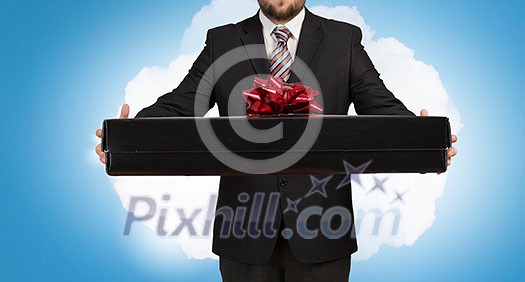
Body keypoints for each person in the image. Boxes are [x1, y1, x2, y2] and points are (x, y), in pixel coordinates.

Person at [95, 0, 458, 281]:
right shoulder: (222, 41)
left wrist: (425, 138)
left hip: (323, 234)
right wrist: (124, 136)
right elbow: (182, 103)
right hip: (243, 236)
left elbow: (379, 106)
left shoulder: (343, 40)